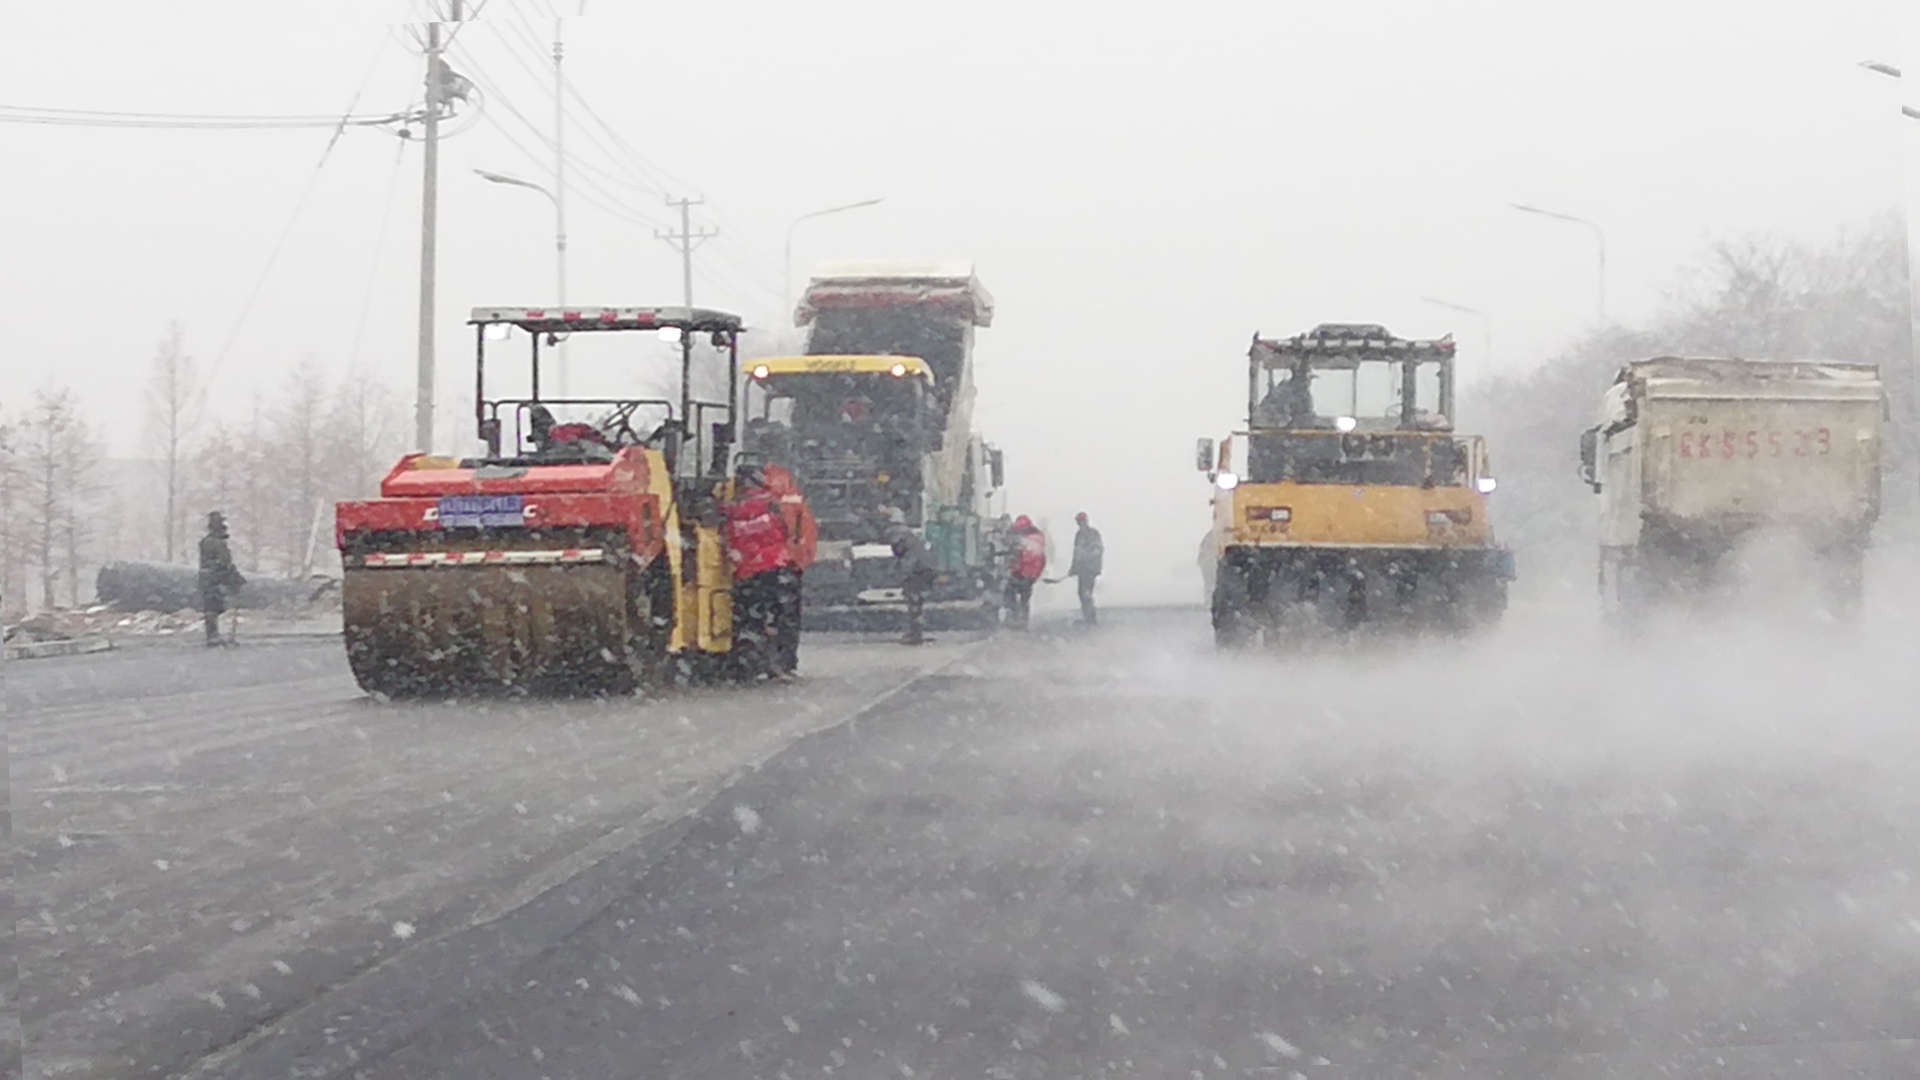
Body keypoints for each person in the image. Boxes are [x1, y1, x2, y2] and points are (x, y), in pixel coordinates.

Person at [720, 465, 794, 680]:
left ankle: (746, 663)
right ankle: (775, 664)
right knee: (775, 618)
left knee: (748, 618)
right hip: (773, 566)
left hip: (745, 570)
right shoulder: (771, 504)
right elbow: (785, 532)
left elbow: (728, 537)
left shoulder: (730, 509)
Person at [762, 464, 817, 676]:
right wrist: (798, 563)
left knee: (764, 615)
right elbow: (807, 534)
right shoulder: (794, 500)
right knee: (788, 619)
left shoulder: (752, 499)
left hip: (758, 568)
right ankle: (785, 662)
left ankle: (766, 659)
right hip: (788, 567)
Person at [884, 507, 938, 645]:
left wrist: (902, 573)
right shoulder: (909, 535)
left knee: (913, 602)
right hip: (925, 570)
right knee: (917, 602)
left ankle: (914, 634)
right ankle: (917, 632)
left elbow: (903, 555)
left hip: (916, 571)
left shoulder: (897, 534)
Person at [198, 511, 246, 647]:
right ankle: (213, 636)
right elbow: (225, 563)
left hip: (207, 577)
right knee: (214, 607)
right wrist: (234, 577)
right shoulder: (218, 544)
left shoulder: (205, 542)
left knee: (210, 607)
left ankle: (212, 634)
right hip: (216, 578)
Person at [1003, 515, 1046, 630]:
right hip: (1031, 575)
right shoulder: (1038, 538)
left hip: (1020, 573)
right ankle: (1023, 620)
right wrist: (1037, 574)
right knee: (1025, 598)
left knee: (1010, 592)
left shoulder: (1022, 540)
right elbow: (1042, 558)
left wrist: (1010, 567)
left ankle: (1014, 616)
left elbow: (1016, 557)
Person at [1069, 511, 1104, 626]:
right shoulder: (1078, 535)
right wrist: (1073, 567)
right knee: (1082, 593)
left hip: (1090, 569)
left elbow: (1097, 551)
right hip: (1082, 570)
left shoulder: (1093, 534)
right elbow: (1076, 553)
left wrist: (1088, 562)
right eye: (1078, 522)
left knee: (1086, 593)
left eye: (1081, 521)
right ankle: (1087, 616)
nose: (1080, 524)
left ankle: (1091, 618)